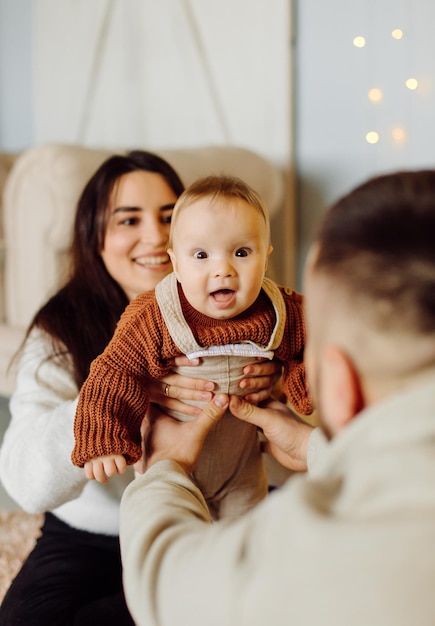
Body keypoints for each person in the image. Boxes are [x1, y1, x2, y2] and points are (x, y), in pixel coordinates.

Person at [119, 169, 435, 626]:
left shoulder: (307, 547)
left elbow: (168, 587)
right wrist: (313, 446)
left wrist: (163, 470)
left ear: (340, 386)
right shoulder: (145, 320)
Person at [0, 152, 278, 625]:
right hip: (94, 533)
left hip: (210, 515)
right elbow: (26, 484)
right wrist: (112, 404)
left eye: (169, 217)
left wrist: (272, 395)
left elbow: (303, 398)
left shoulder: (249, 307)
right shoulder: (60, 328)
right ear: (95, 238)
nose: (154, 236)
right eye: (129, 220)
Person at [72, 175, 313, 520]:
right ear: (176, 262)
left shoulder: (281, 311)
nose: (223, 270)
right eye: (201, 255)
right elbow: (115, 371)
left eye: (242, 252)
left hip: (241, 471)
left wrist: (299, 384)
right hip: (170, 468)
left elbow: (314, 342)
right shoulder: (157, 315)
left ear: (265, 256)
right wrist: (104, 435)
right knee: (173, 548)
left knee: (243, 548)